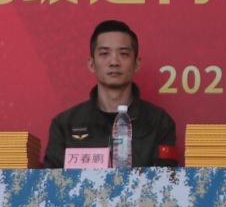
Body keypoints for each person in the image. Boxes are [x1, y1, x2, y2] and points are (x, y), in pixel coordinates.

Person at [42, 20, 178, 168]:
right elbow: (50, 180)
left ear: (137, 63)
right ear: (92, 64)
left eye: (124, 54)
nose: (114, 62)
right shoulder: (64, 125)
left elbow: (166, 179)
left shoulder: (159, 122)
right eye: (104, 54)